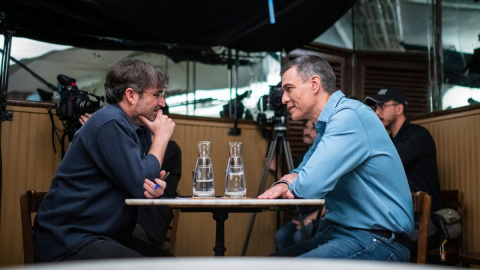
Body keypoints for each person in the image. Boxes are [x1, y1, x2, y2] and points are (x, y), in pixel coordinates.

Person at [258, 55, 414, 262]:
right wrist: (287, 180)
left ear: (314, 83)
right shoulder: (327, 126)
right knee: (269, 263)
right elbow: (301, 171)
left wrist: (296, 181)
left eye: (289, 88)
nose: (284, 98)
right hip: (343, 232)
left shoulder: (349, 116)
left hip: (379, 240)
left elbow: (309, 185)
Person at [33, 58, 175, 262]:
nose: (162, 103)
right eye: (157, 94)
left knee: (171, 264)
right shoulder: (110, 122)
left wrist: (154, 186)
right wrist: (161, 137)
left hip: (104, 237)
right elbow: (139, 184)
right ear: (131, 95)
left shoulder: (136, 128)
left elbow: (143, 184)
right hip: (70, 240)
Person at [79, 104, 182, 254]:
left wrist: (160, 137)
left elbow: (143, 176)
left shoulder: (170, 148)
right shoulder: (133, 141)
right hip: (125, 216)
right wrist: (99, 132)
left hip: (149, 220)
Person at [365, 87, 442, 212]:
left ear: (399, 109)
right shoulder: (389, 141)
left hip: (425, 218)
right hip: (401, 212)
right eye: (376, 108)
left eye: (382, 107)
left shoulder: (418, 135)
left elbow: (386, 162)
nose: (377, 113)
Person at [273, 120, 320, 250]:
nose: (307, 132)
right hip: (303, 213)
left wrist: (310, 219)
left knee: (300, 237)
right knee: (281, 235)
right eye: (306, 127)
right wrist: (276, 169)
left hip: (320, 213)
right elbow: (291, 187)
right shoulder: (301, 159)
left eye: (313, 129)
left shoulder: (322, 160)